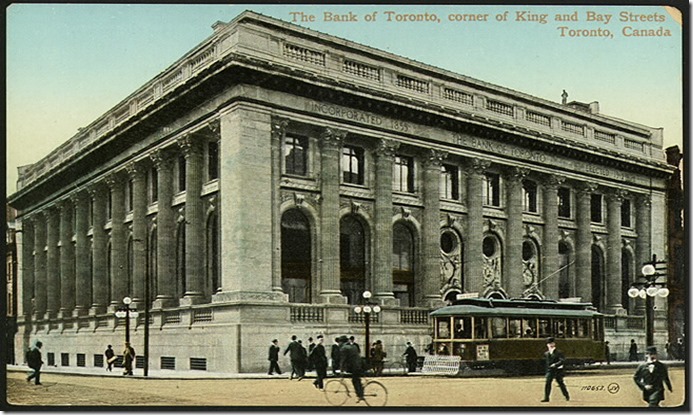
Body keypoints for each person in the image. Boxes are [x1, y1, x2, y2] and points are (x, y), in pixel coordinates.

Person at [541, 337, 570, 402]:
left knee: (560, 383)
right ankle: (546, 398)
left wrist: (555, 364)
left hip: (558, 370)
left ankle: (566, 395)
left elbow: (562, 360)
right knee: (548, 382)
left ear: (554, 344)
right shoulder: (546, 353)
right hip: (550, 370)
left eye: (552, 343)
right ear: (547, 345)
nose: (550, 345)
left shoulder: (559, 352)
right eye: (549, 344)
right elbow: (546, 363)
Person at [338, 335, 364, 402]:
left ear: (341, 342)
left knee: (354, 380)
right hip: (359, 365)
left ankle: (360, 395)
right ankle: (360, 393)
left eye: (339, 342)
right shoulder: (354, 346)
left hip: (353, 367)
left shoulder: (344, 348)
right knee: (357, 380)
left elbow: (343, 360)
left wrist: (341, 370)